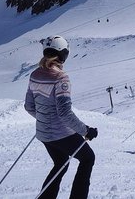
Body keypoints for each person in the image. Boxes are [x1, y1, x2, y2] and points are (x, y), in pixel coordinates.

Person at [25, 35, 98, 199]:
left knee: (60, 163)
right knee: (88, 159)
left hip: (43, 134)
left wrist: (45, 119)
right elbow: (64, 113)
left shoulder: (35, 74)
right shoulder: (61, 78)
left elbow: (29, 106)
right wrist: (86, 130)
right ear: (63, 54)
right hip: (60, 134)